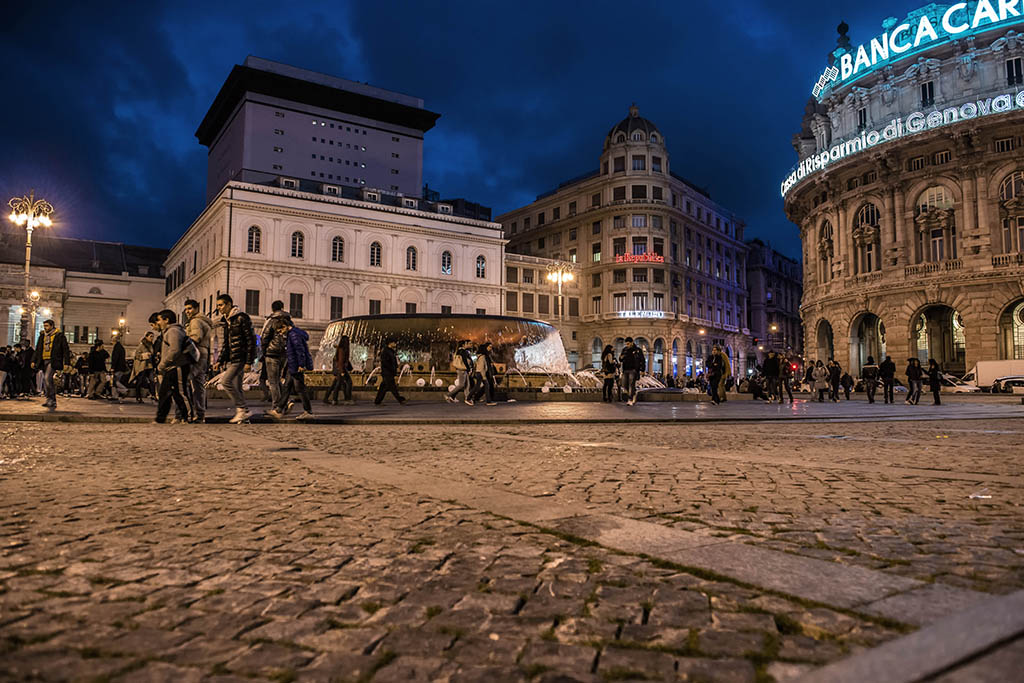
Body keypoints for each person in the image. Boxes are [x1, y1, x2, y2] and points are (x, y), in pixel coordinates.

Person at [216, 294, 257, 424]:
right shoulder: (227, 321)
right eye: (218, 306)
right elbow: (226, 344)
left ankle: (242, 409)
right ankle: (243, 417)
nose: (219, 308)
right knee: (237, 387)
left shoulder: (241, 318)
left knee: (226, 382)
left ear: (229, 304)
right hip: (233, 358)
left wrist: (249, 361)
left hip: (241, 357)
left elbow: (251, 340)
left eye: (221, 305)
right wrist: (220, 360)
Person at [268, 318, 314, 421]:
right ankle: (278, 410)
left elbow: (300, 350)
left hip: (296, 365)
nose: (280, 334)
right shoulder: (291, 334)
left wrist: (301, 365)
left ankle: (308, 411)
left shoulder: (293, 335)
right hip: (293, 365)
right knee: (287, 386)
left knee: (299, 388)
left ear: (284, 326)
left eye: (280, 331)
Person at [154, 309, 193, 424]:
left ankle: (188, 416)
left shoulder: (173, 331)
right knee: (164, 393)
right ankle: (160, 418)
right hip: (172, 367)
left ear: (166, 320)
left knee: (179, 392)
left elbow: (174, 350)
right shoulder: (171, 331)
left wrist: (163, 363)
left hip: (177, 366)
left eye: (160, 320)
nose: (158, 323)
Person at [183, 299, 213, 423]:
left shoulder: (195, 321)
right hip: (203, 353)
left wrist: (183, 344)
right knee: (199, 385)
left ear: (196, 309)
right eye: (186, 309)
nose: (187, 311)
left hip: (196, 353)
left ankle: (191, 412)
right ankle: (200, 414)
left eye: (189, 308)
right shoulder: (203, 321)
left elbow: (195, 337)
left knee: (188, 382)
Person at [259, 301, 291, 412]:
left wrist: (264, 352)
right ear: (282, 308)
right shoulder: (289, 321)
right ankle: (285, 402)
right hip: (284, 354)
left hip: (272, 353)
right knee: (277, 380)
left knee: (273, 381)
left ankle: (277, 407)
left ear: (273, 309)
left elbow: (265, 337)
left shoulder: (271, 320)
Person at [31, 320, 70, 410]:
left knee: (47, 378)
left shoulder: (59, 336)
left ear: (52, 326)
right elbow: (38, 349)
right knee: (47, 381)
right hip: (43, 360)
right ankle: (50, 399)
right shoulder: (42, 336)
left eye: (47, 326)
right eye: (44, 326)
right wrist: (33, 360)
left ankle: (51, 399)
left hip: (53, 361)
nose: (45, 327)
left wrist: (66, 363)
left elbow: (65, 349)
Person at [374, 339, 407, 405]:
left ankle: (377, 401)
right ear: (390, 343)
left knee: (383, 387)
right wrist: (391, 368)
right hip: (387, 372)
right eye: (394, 342)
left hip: (388, 372)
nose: (395, 344)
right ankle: (400, 399)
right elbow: (385, 362)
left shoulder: (390, 351)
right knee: (392, 387)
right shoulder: (386, 351)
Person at [327, 335, 355, 405]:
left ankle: (334, 399)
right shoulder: (342, 349)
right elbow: (341, 361)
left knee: (338, 384)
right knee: (348, 382)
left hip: (341, 368)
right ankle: (347, 399)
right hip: (341, 369)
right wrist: (342, 371)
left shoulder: (341, 348)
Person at [468, 341, 498, 406]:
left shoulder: (481, 354)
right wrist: (484, 375)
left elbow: (474, 363)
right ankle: (470, 398)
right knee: (481, 386)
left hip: (482, 372)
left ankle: (479, 399)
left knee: (485, 386)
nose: (491, 348)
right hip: (482, 373)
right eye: (489, 347)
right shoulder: (482, 356)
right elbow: (481, 366)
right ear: (485, 347)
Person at [130, 331, 157, 402]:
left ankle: (153, 395)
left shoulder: (152, 345)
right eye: (150, 336)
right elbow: (136, 355)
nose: (152, 338)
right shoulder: (141, 346)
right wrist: (143, 356)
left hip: (150, 366)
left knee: (152, 381)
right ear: (146, 337)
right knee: (140, 381)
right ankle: (138, 397)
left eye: (153, 336)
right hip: (143, 366)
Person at [445, 339, 474, 404]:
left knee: (467, 385)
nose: (470, 345)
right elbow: (464, 360)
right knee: (461, 385)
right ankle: (449, 395)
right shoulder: (462, 351)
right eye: (468, 344)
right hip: (462, 370)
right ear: (464, 344)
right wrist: (469, 368)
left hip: (463, 370)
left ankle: (467, 398)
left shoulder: (460, 351)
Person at [619, 338, 645, 406]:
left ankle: (630, 399)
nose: (627, 345)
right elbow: (620, 359)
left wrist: (642, 370)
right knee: (624, 385)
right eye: (626, 344)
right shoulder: (624, 350)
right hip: (625, 369)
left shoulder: (637, 350)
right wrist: (621, 358)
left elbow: (642, 360)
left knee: (631, 384)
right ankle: (633, 393)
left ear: (632, 342)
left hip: (633, 369)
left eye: (628, 344)